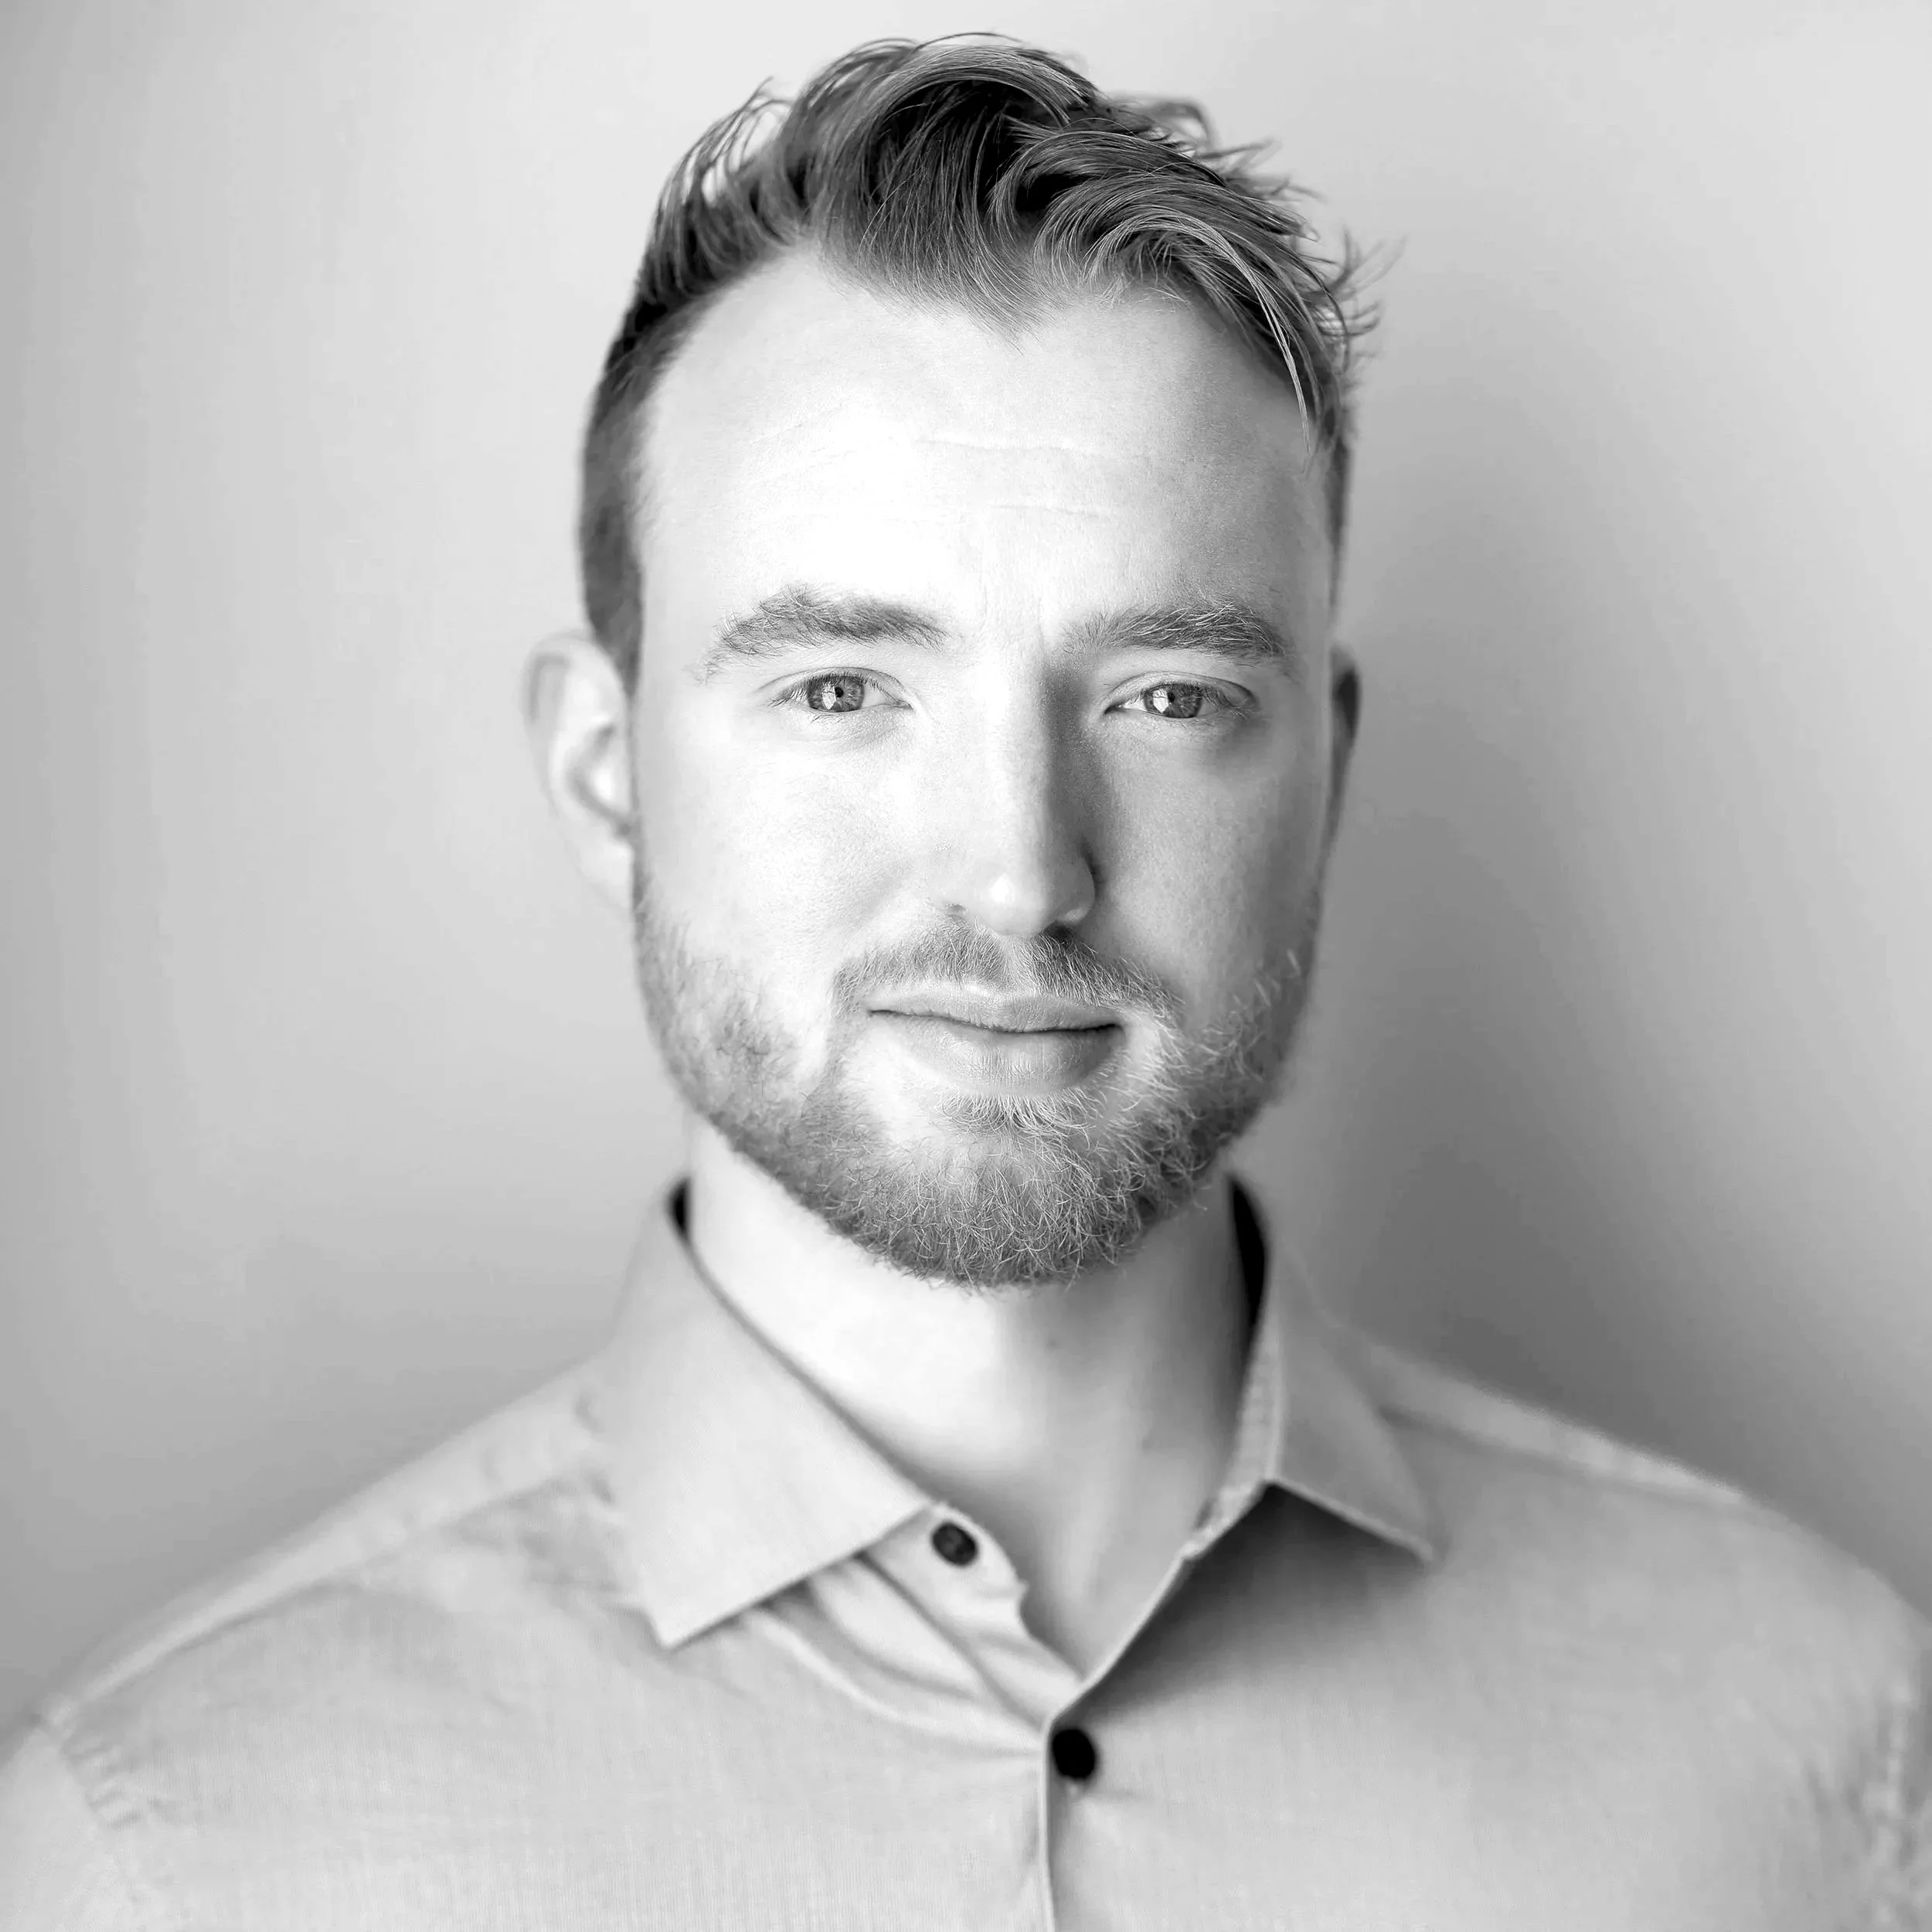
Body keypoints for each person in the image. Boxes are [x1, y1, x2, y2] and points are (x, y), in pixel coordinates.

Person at [1, 32, 1925, 1929]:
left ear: (1321, 770)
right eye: (841, 690)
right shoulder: (164, 1852)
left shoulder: (1828, 1765)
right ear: (607, 777)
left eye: (1165, 696)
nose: (1020, 872)